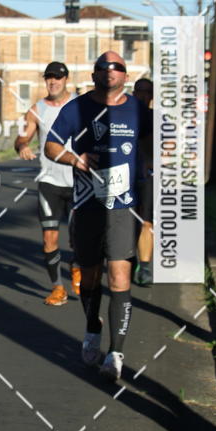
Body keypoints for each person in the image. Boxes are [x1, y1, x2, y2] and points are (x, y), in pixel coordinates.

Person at [44, 51, 153, 382]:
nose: (110, 71)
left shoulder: (137, 109)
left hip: (124, 207)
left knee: (120, 277)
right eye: (103, 67)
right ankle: (93, 327)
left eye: (117, 67)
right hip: (88, 205)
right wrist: (75, 160)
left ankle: (116, 352)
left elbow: (151, 149)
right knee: (89, 277)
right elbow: (51, 146)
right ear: (94, 75)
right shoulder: (76, 108)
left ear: (126, 74)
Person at [14, 61, 80, 306]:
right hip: (49, 181)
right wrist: (23, 146)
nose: (53, 82)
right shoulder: (36, 110)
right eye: (49, 78)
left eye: (58, 78)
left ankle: (77, 267)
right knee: (49, 239)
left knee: (79, 238)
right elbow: (21, 137)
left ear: (66, 79)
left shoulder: (80, 105)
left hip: (78, 181)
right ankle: (57, 288)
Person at [132, 78, 154, 286]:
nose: (143, 95)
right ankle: (127, 257)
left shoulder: (158, 119)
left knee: (146, 221)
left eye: (148, 92)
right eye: (139, 91)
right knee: (125, 220)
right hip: (124, 176)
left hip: (147, 177)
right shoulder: (123, 115)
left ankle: (145, 267)